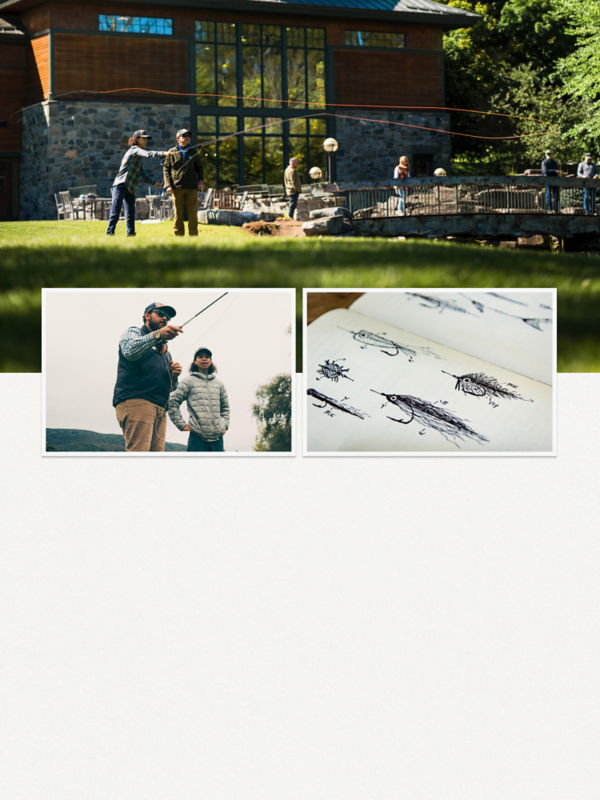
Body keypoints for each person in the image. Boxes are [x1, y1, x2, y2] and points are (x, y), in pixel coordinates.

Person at [112, 302, 183, 452]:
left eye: (168, 317)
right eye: (161, 313)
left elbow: (171, 388)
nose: (165, 318)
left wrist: (174, 376)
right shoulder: (134, 332)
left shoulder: (165, 352)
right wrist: (158, 335)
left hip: (160, 408)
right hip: (137, 401)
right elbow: (129, 350)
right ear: (147, 315)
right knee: (139, 454)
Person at [168, 347, 230, 452]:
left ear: (211, 361)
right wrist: (182, 425)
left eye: (207, 357)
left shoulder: (219, 384)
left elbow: (225, 407)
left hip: (218, 438)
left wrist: (225, 425)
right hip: (197, 438)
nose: (204, 359)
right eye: (200, 357)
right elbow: (172, 402)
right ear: (195, 362)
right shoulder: (188, 382)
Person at [106, 130, 166, 237]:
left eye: (147, 139)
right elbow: (148, 154)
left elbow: (142, 173)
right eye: (143, 138)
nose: (146, 141)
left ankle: (131, 233)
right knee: (116, 209)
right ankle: (110, 232)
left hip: (131, 187)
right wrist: (163, 154)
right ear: (136, 139)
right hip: (120, 185)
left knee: (130, 212)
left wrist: (154, 182)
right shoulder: (134, 150)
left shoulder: (138, 158)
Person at [163, 128, 205, 236]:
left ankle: (193, 238)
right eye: (184, 136)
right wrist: (168, 185)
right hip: (177, 188)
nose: (187, 138)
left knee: (193, 215)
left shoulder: (193, 151)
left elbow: (200, 168)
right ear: (178, 138)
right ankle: (179, 237)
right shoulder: (171, 152)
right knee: (178, 215)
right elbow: (166, 169)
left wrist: (201, 181)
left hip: (192, 187)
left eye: (188, 136)